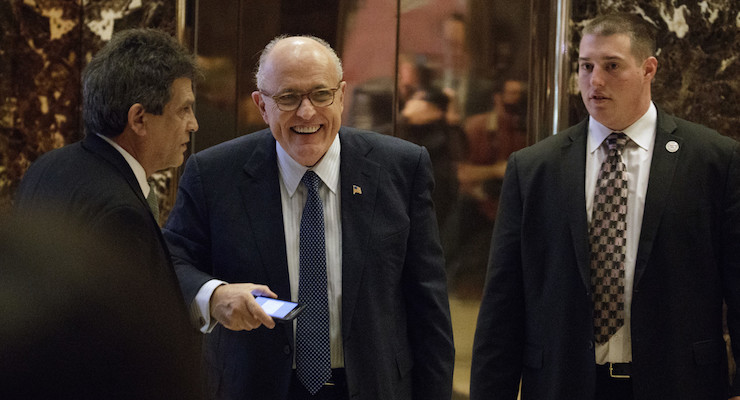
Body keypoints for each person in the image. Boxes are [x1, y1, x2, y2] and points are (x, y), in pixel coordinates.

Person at [163, 35, 455, 400]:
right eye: (288, 97)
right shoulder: (215, 174)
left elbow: (429, 309)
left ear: (342, 95)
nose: (306, 112)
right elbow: (169, 260)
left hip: (373, 385)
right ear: (261, 105)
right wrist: (214, 294)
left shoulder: (400, 168)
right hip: (255, 387)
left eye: (321, 94)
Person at [470, 12, 740, 400]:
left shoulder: (714, 160)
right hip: (564, 383)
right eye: (586, 66)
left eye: (612, 66)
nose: (595, 80)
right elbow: (503, 301)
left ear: (649, 69)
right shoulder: (534, 168)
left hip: (679, 382)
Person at [12, 29, 205, 397]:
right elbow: (126, 353)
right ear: (139, 119)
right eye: (184, 109)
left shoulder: (49, 165)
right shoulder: (121, 214)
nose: (193, 124)